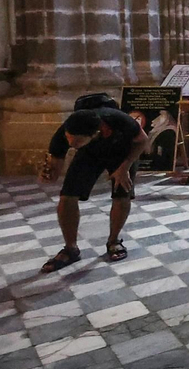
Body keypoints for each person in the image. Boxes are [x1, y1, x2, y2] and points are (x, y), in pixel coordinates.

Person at [39, 93, 149, 272]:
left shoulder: (118, 120)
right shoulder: (65, 133)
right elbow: (55, 167)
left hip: (123, 152)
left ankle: (113, 241)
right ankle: (71, 249)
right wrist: (48, 173)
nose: (71, 143)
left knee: (122, 192)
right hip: (90, 154)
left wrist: (124, 167)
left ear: (97, 133)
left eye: (76, 141)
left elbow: (142, 140)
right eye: (69, 139)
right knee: (67, 196)